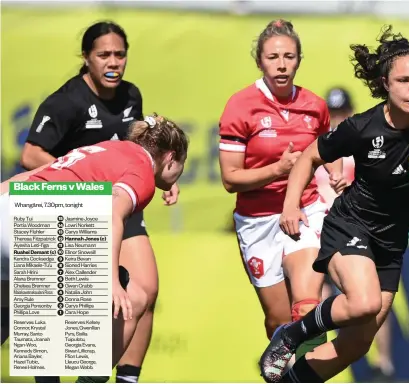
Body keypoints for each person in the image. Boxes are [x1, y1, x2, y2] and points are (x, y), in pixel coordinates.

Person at [258, 25, 409, 383]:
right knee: (365, 302)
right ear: (386, 83)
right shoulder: (362, 127)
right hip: (350, 226)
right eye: (404, 80)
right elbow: (309, 158)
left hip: (391, 240)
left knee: (357, 343)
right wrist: (290, 206)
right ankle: (291, 335)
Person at [17, 21, 172, 384]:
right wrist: (86, 180)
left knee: (145, 291)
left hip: (120, 204)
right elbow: (30, 155)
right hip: (73, 209)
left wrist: (163, 178)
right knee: (55, 302)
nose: (113, 62)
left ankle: (125, 378)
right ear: (86, 58)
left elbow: (141, 152)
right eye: (103, 55)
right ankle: (49, 378)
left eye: (120, 54)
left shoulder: (132, 96)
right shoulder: (66, 101)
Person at [1, 114, 188, 377]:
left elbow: (33, 176)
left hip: (7, 215)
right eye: (183, 164)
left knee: (10, 307)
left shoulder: (104, 148)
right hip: (37, 225)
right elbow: (114, 215)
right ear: (170, 157)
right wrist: (112, 281)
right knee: (134, 299)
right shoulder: (142, 171)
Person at [218, 19, 347, 360]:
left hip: (304, 211)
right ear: (260, 61)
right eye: (273, 57)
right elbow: (230, 178)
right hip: (257, 221)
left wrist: (335, 173)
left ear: (299, 60)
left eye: (289, 56)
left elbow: (323, 150)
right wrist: (277, 169)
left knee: (306, 306)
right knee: (277, 321)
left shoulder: (315, 106)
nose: (281, 64)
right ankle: (285, 369)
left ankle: (309, 374)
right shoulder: (240, 106)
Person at [317, 87, 396, 382]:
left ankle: (383, 364)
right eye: (333, 113)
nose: (338, 119)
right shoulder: (321, 147)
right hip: (321, 234)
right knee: (318, 296)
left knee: (371, 300)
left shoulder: (363, 147)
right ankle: (320, 360)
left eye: (342, 113)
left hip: (359, 233)